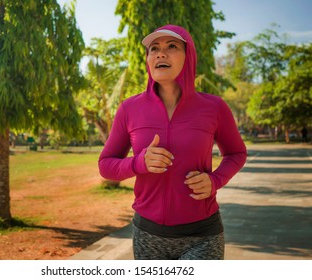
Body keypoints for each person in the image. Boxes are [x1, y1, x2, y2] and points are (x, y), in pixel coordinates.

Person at [98, 25, 247, 260]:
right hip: (149, 235)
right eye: (154, 48)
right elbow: (106, 165)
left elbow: (237, 153)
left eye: (172, 46)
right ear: (148, 59)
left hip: (202, 234)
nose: (160, 53)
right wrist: (138, 163)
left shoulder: (214, 107)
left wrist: (216, 180)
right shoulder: (129, 108)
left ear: (189, 57)